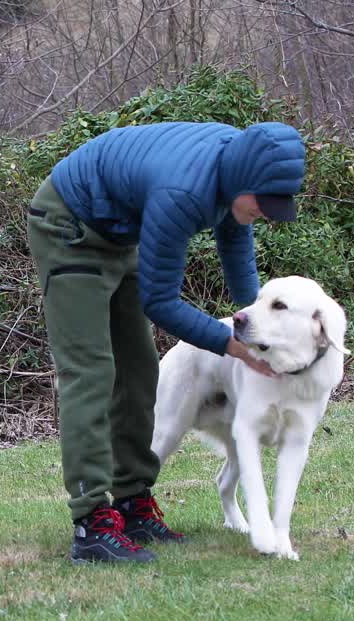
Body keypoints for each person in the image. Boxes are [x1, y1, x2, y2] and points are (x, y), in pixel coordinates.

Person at [25, 121, 306, 564]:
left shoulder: (233, 174)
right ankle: (91, 524)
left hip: (119, 231)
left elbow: (236, 248)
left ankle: (132, 502)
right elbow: (160, 302)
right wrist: (232, 344)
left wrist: (259, 329)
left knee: (139, 370)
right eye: (265, 203)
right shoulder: (184, 192)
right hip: (69, 225)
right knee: (91, 372)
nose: (269, 213)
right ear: (243, 181)